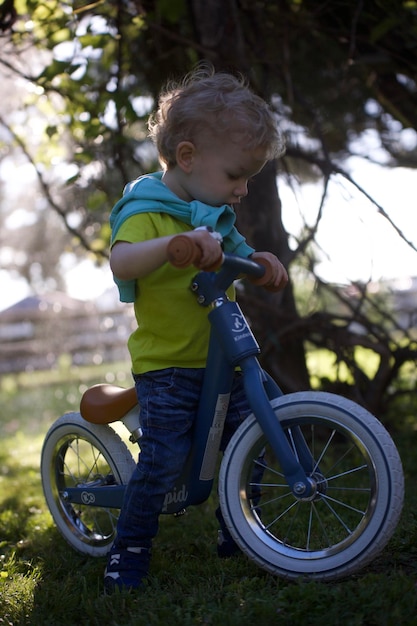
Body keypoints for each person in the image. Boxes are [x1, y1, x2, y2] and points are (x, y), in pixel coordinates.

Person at [104, 66, 288, 593]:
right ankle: (130, 544)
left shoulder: (212, 214)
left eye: (248, 178)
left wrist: (262, 260)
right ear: (188, 157)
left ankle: (240, 527)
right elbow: (122, 262)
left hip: (221, 361)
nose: (243, 189)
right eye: (236, 174)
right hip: (168, 366)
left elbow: (239, 255)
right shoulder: (147, 209)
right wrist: (172, 248)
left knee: (250, 438)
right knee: (163, 460)